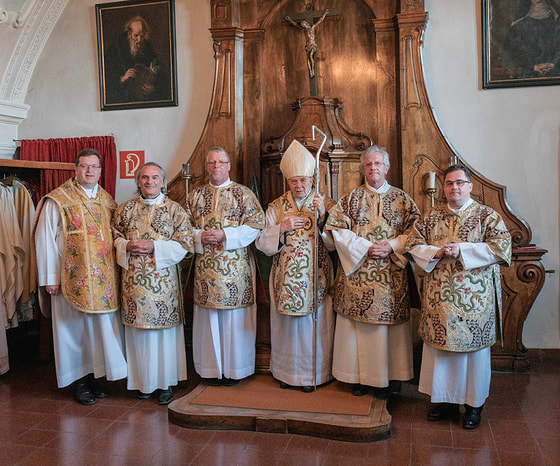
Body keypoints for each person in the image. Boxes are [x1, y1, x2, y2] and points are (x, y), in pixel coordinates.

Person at [406, 165, 512, 429]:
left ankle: (474, 406)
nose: (454, 187)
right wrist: (436, 252)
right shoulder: (431, 216)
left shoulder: (486, 215)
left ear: (470, 186)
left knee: (473, 356)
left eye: (460, 183)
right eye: (449, 183)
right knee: (441, 354)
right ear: (443, 188)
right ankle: (445, 401)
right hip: (439, 300)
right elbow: (412, 245)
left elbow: (502, 248)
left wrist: (462, 250)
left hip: (473, 302)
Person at [325, 145, 421, 399]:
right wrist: (364, 248)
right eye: (368, 164)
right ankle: (358, 378)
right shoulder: (350, 199)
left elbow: (417, 231)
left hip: (391, 276)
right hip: (358, 276)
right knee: (358, 330)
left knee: (388, 332)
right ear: (363, 169)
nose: (373, 168)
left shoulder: (402, 199)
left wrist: (391, 245)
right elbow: (335, 229)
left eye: (377, 164)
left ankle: (390, 378)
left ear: (387, 168)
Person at [34, 148, 127, 405]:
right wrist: (49, 277)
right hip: (69, 279)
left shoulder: (107, 200)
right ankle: (77, 380)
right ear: (76, 168)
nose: (89, 171)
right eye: (84, 166)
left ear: (100, 170)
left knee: (98, 332)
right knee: (71, 331)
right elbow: (45, 240)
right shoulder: (58, 199)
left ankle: (94, 376)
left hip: (102, 281)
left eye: (94, 167)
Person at [255, 140, 336, 392]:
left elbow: (335, 244)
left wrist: (323, 216)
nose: (299, 185)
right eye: (293, 181)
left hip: (316, 278)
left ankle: (313, 376)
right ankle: (287, 374)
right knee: (289, 329)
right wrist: (282, 227)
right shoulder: (276, 207)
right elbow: (261, 243)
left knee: (313, 327)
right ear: (287, 182)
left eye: (303, 180)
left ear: (312, 180)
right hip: (285, 280)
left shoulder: (327, 204)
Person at [112, 162, 193, 404]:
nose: (149, 182)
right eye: (145, 177)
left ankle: (166, 383)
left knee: (164, 337)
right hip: (134, 286)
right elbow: (114, 236)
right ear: (138, 182)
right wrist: (126, 245)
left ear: (163, 182)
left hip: (164, 286)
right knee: (139, 336)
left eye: (155, 177)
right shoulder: (124, 210)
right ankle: (143, 383)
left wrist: (155, 246)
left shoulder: (175, 210)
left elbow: (187, 244)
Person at [187, 147, 265, 386]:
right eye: (211, 162)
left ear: (229, 166)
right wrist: (200, 236)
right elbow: (181, 229)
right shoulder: (195, 195)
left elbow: (256, 225)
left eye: (221, 162)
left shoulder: (244, 194)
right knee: (208, 321)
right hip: (206, 272)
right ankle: (210, 370)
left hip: (236, 270)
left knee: (234, 322)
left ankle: (235, 370)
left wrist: (225, 235)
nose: (216, 166)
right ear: (206, 166)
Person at [104, 16, 171, 104]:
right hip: (122, 95)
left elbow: (156, 63)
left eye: (142, 36)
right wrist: (123, 78)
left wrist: (153, 76)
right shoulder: (116, 47)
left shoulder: (145, 45)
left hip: (142, 91)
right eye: (136, 35)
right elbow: (107, 77)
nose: (139, 39)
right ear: (129, 33)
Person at [505, 0, 560, 78]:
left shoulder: (557, 20)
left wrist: (553, 63)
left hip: (555, 73)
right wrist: (532, 66)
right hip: (529, 74)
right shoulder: (519, 24)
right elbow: (511, 49)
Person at [285, 9, 330, 78]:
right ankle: (311, 71)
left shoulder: (312, 28)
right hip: (308, 45)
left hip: (313, 44)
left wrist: (325, 14)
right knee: (308, 58)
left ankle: (313, 70)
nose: (304, 26)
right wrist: (290, 20)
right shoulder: (304, 30)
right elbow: (296, 25)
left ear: (306, 23)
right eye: (303, 25)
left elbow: (320, 20)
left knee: (311, 56)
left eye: (304, 24)